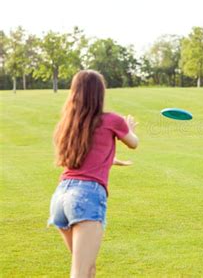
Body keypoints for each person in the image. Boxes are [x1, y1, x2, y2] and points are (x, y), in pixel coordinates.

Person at [47, 70, 139, 277]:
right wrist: (129, 128)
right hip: (86, 197)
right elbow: (134, 143)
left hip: (61, 197)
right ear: (100, 93)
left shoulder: (68, 125)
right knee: (80, 271)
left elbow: (82, 156)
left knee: (88, 268)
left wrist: (111, 161)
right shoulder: (113, 120)